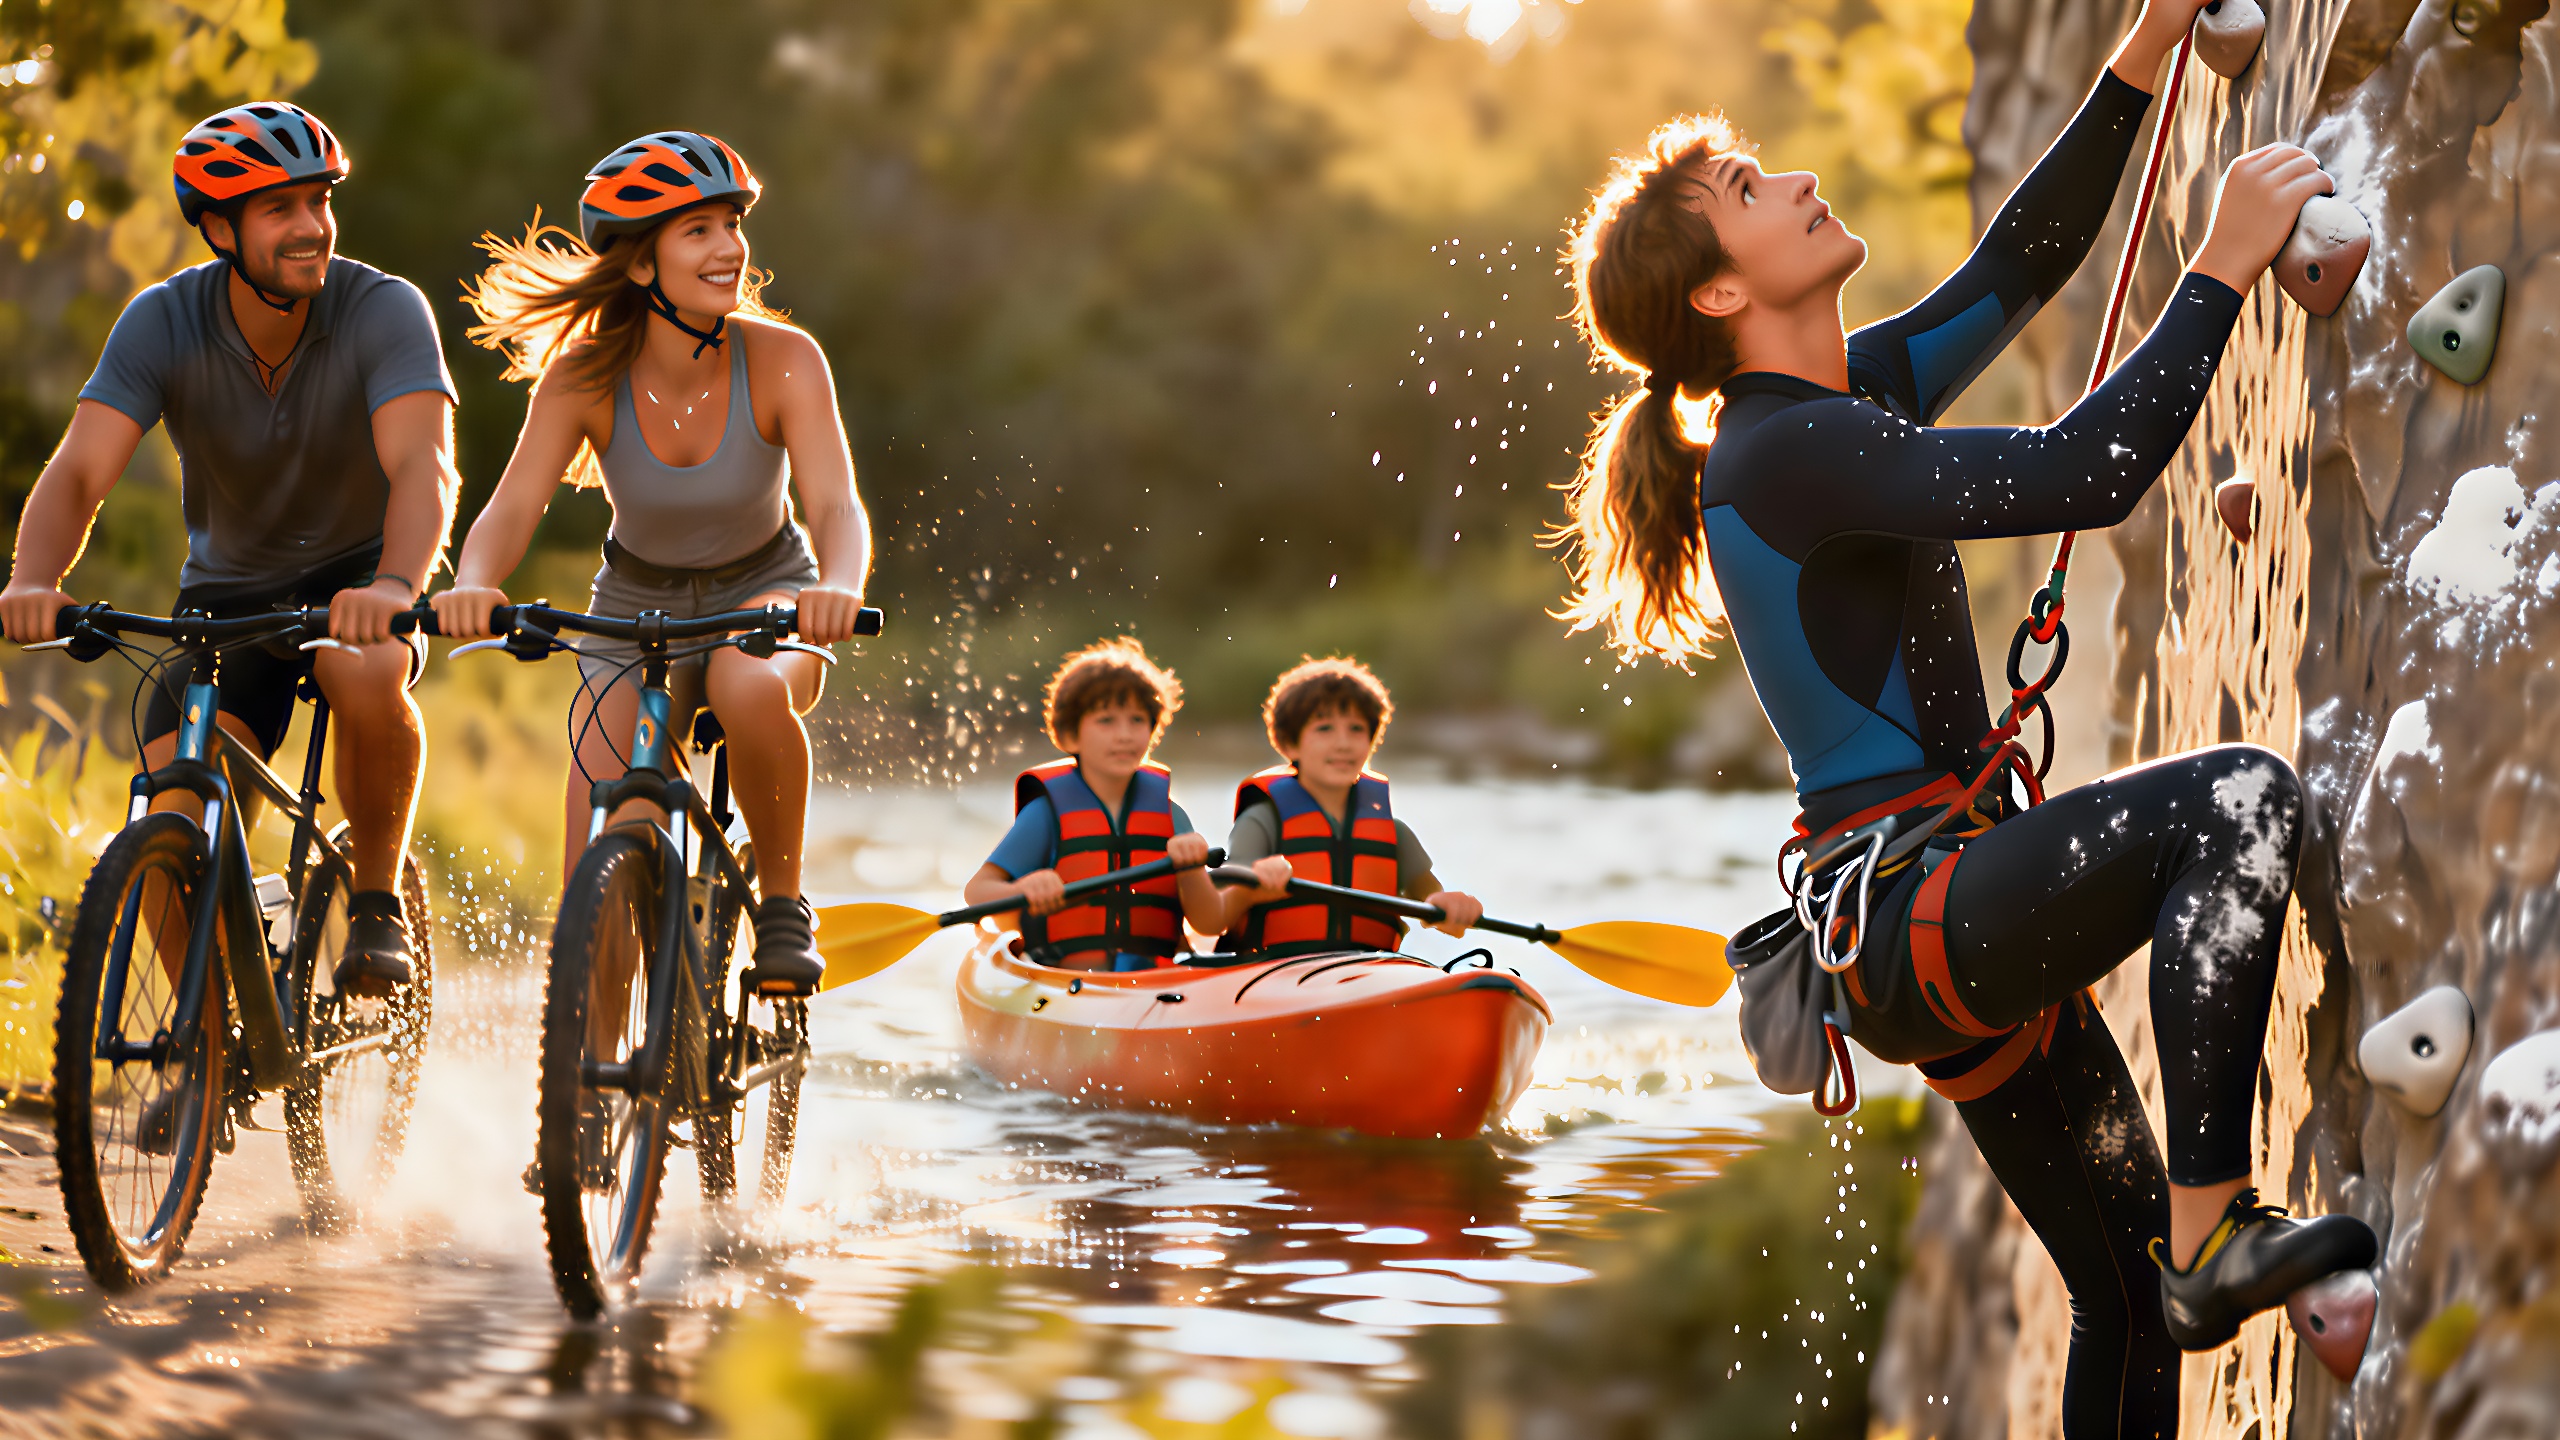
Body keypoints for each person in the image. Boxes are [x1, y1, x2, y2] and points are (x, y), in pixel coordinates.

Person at [1552, 2, 2378, 1434]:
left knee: (2114, 1300)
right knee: (2234, 802)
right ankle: (2212, 1229)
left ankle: (2174, 1251)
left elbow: (2024, 260)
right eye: (1752, 193)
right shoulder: (1789, 452)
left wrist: (2141, 49)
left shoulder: (1840, 394)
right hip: (1933, 914)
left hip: (1929, 928)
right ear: (1717, 295)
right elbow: (2088, 468)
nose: (1796, 181)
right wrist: (2224, 266)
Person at [1, 101, 460, 996]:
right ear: (218, 227)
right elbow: (79, 472)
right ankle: (208, 1045)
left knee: (362, 672)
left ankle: (375, 904)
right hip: (230, 595)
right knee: (174, 807)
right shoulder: (162, 321)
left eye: (318, 202)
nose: (311, 227)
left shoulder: (384, 311)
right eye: (280, 209)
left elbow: (424, 467)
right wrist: (33, 580)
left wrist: (398, 581)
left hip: (361, 576)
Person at [430, 131, 870, 997]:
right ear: (640, 266)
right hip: (633, 609)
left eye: (731, 224)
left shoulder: (785, 360)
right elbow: (512, 506)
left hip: (768, 597)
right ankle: (582, 1115)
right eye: (697, 230)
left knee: (749, 688)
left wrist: (837, 588)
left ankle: (781, 907)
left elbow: (835, 508)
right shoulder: (584, 378)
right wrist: (474, 583)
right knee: (598, 845)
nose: (728, 247)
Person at [963, 639, 1226, 970]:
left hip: (1155, 986)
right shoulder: (1047, 815)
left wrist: (1191, 871)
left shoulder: (1171, 816)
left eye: (1137, 720)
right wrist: (1022, 888)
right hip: (1066, 981)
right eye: (1106, 721)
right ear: (1071, 735)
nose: (1124, 735)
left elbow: (1210, 923)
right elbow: (977, 891)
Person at [1218, 658, 1481, 957]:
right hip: (1270, 969)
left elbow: (1433, 900)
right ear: (1289, 744)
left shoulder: (1393, 833)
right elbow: (1219, 915)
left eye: (1356, 729)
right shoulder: (1262, 821)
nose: (1343, 743)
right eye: (1325, 729)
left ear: (1372, 742)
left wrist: (1451, 907)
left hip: (1365, 972)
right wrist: (1251, 882)